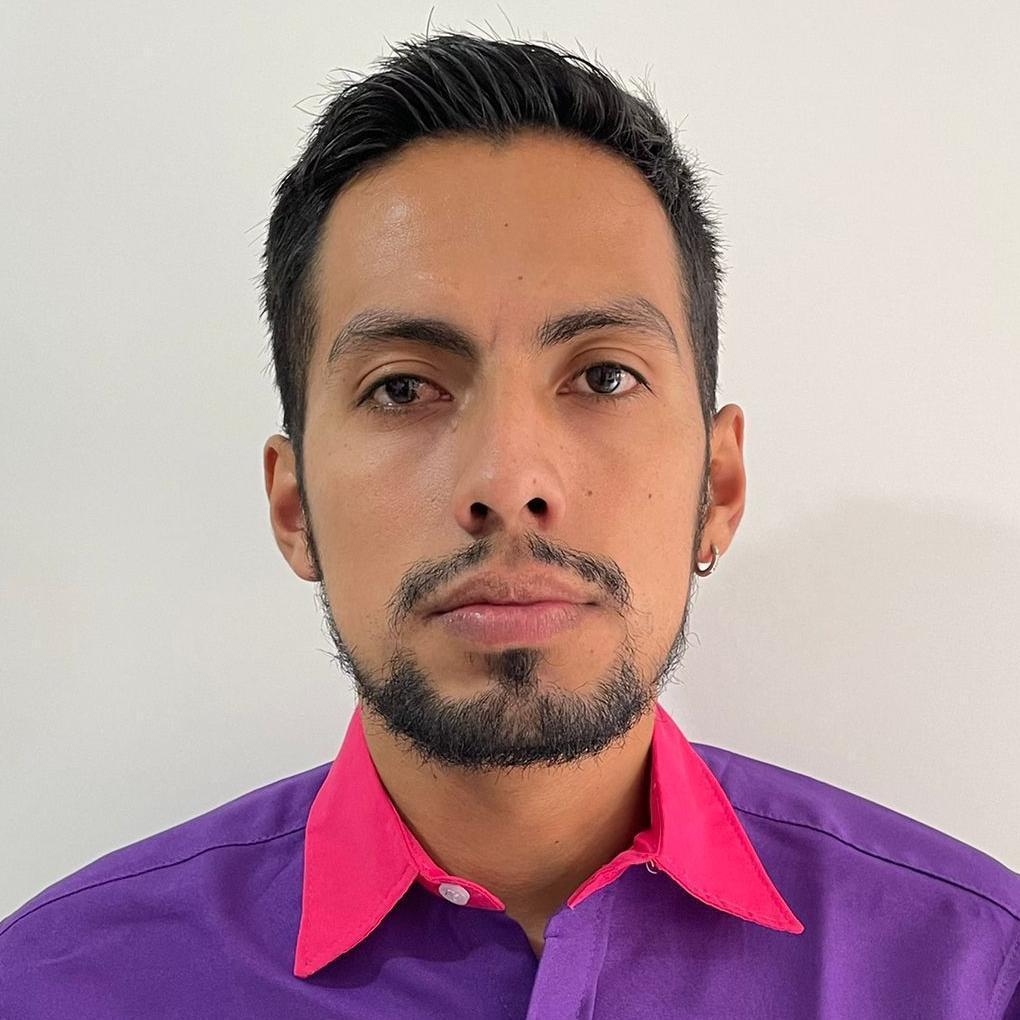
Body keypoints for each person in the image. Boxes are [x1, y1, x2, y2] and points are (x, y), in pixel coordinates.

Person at [2, 30, 1018, 1019]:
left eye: (604, 377)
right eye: (403, 388)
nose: (507, 480)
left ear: (717, 486)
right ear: (294, 505)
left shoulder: (977, 974)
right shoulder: (52, 989)